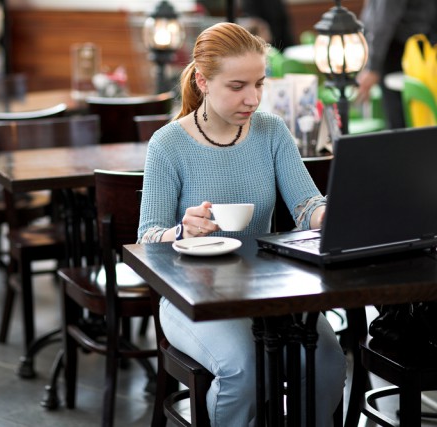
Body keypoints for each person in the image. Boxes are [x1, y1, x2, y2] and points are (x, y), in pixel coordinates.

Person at [136, 22, 346, 426]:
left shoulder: (271, 131)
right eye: (237, 86)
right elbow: (147, 237)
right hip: (191, 297)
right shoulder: (168, 144)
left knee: (328, 363)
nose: (252, 98)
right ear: (202, 80)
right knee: (243, 371)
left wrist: (334, 212)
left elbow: (306, 205)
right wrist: (182, 230)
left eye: (259, 84)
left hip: (268, 290)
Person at [356, 0, 437, 129]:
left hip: (403, 49)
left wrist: (372, 67)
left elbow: (384, 22)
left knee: (402, 118)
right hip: (402, 47)